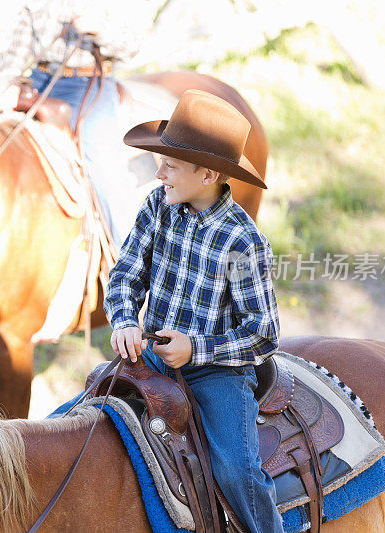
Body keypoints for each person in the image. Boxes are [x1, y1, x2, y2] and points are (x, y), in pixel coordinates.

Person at [105, 89, 283, 532]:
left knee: (237, 473)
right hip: (153, 355)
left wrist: (195, 350)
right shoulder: (156, 207)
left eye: (170, 164)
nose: (158, 171)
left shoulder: (242, 241)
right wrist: (125, 320)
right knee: (81, 416)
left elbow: (263, 333)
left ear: (206, 175)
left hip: (216, 370)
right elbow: (125, 275)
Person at [0, 0, 152, 247]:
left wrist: (100, 29)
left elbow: (132, 47)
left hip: (89, 82)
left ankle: (131, 261)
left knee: (105, 168)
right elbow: (15, 51)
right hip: (37, 80)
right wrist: (8, 83)